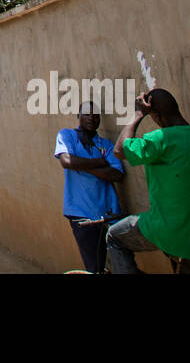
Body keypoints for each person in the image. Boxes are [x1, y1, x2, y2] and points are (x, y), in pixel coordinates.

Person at [109, 89, 190, 274]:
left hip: (171, 231)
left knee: (114, 237)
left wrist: (138, 114)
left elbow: (120, 150)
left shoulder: (162, 139)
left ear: (156, 115)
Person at [55, 103, 123, 273]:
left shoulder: (105, 144)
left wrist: (82, 165)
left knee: (117, 264)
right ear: (78, 116)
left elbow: (116, 174)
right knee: (95, 266)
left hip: (109, 214)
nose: (91, 119)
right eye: (86, 115)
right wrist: (100, 163)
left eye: (95, 116)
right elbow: (67, 161)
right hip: (81, 215)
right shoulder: (67, 136)